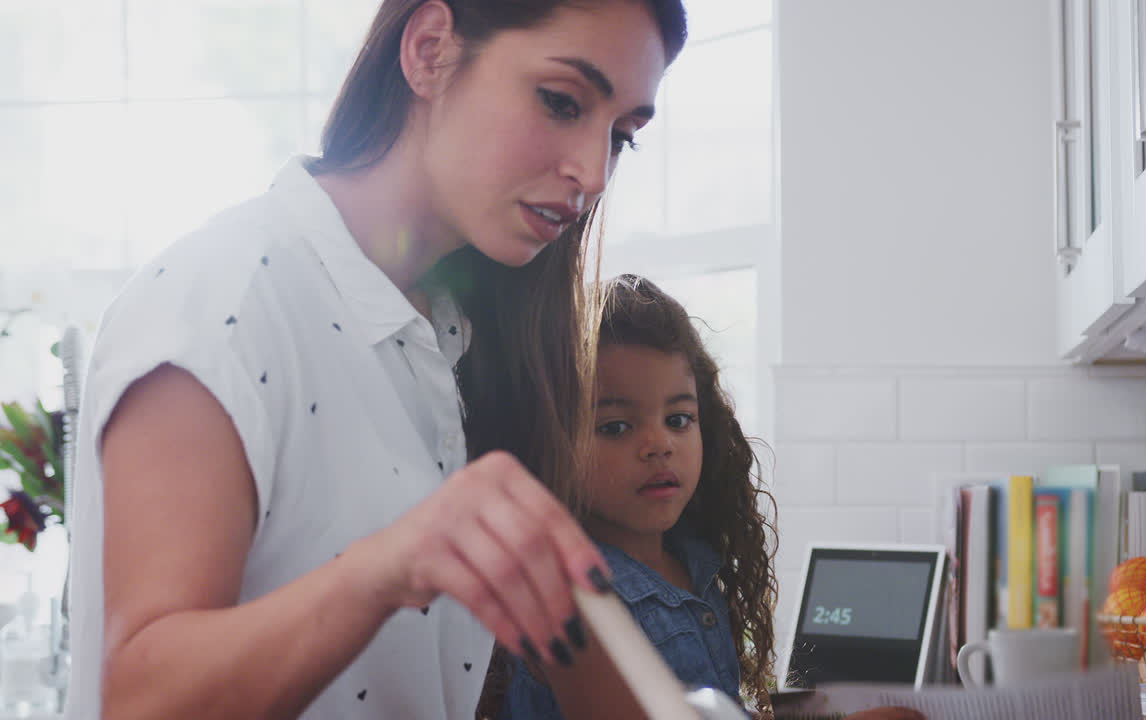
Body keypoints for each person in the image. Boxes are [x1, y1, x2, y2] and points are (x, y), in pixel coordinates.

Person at [65, 2, 687, 718]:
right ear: (428, 51)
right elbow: (141, 700)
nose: (594, 171)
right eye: (561, 102)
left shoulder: (450, 333)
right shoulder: (221, 304)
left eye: (623, 137)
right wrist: (391, 564)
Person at [497, 274, 781, 719]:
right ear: (553, 443)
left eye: (679, 419)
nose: (659, 444)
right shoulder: (572, 600)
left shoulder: (695, 561)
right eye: (615, 427)